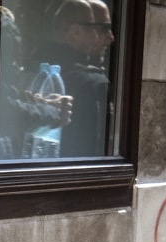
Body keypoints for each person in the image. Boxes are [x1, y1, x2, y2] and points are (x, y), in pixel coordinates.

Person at [33, 0, 109, 156]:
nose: (97, 37)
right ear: (75, 31)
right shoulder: (93, 84)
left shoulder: (29, 67)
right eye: (96, 29)